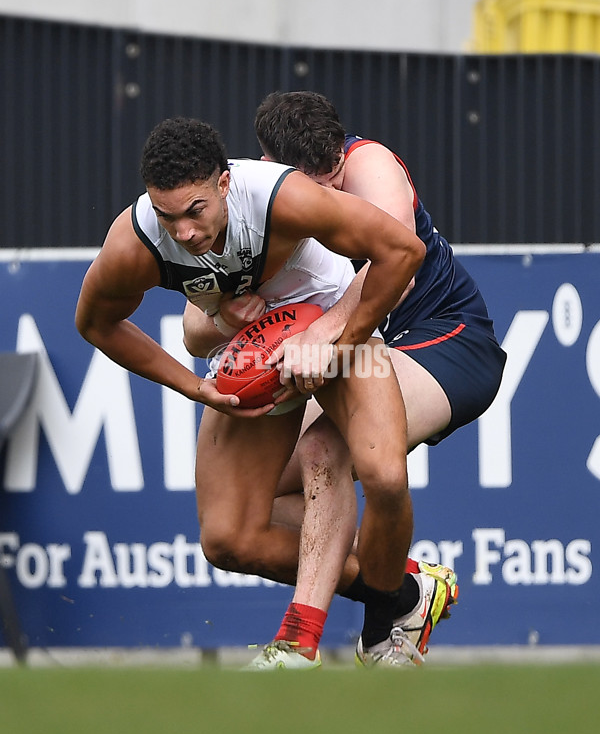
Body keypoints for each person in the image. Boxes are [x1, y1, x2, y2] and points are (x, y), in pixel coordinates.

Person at [75, 116, 426, 670]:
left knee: (383, 474)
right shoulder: (136, 241)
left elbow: (402, 251)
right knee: (227, 540)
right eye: (169, 218)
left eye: (195, 212)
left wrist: (338, 340)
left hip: (333, 318)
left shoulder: (282, 197)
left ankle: (316, 641)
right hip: (258, 351)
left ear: (225, 183)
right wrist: (194, 387)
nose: (184, 233)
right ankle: (406, 590)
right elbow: (95, 322)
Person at [183, 91, 507, 668]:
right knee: (238, 526)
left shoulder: (369, 164)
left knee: (324, 446)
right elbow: (194, 331)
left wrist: (322, 332)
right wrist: (226, 314)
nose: (332, 195)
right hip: (357, 350)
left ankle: (303, 643)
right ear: (272, 165)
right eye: (317, 184)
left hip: (441, 338)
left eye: (333, 176)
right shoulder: (256, 196)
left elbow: (397, 274)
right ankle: (406, 593)